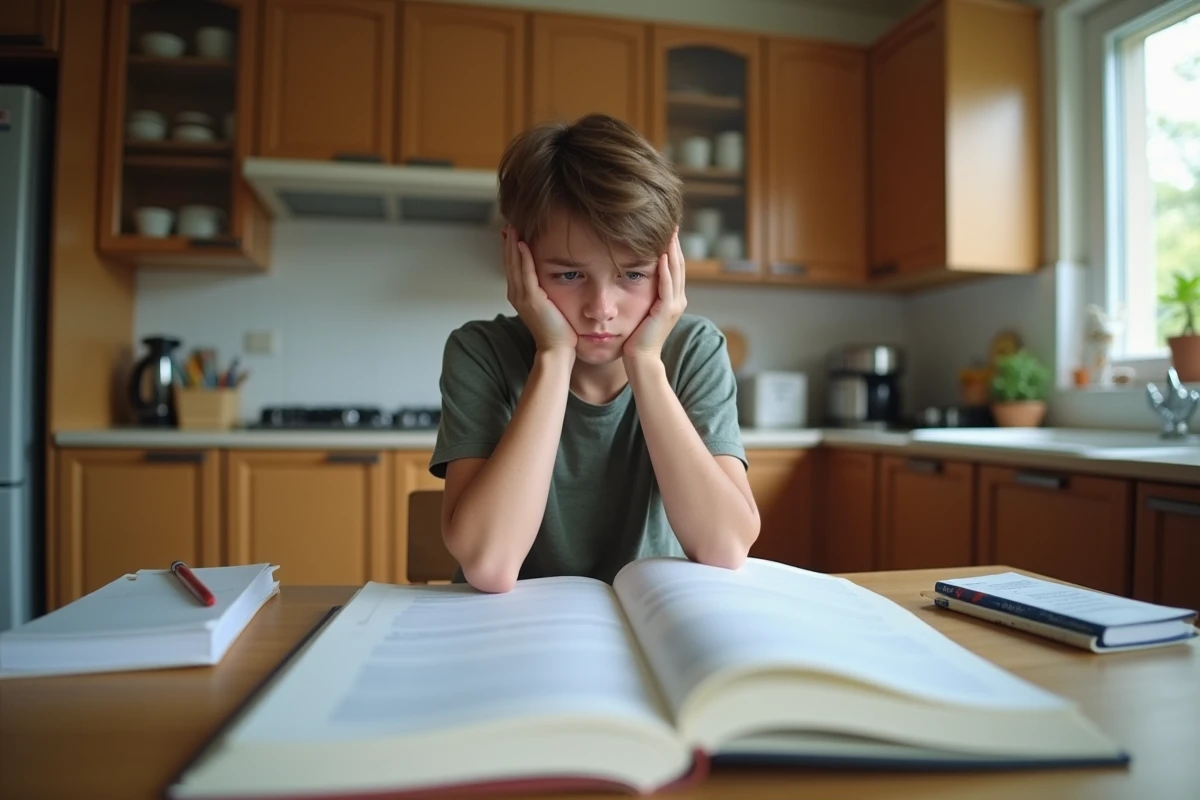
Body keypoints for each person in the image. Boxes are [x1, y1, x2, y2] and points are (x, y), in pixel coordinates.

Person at [430, 113, 759, 593]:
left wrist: (645, 364)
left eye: (632, 274)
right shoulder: (480, 351)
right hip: (509, 632)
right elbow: (489, 564)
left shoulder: (694, 349)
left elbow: (725, 547)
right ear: (515, 257)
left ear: (670, 264)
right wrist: (553, 355)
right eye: (569, 275)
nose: (601, 310)